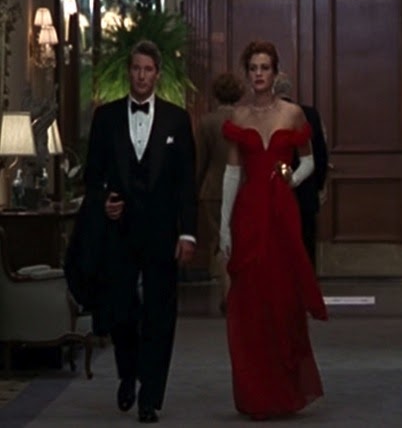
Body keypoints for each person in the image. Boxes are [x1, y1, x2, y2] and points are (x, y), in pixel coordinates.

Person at [64, 40, 197, 423]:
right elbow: (93, 177)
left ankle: (150, 397)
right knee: (120, 310)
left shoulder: (176, 119)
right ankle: (128, 374)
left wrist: (187, 233)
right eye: (136, 68)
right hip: (118, 232)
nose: (141, 76)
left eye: (147, 69)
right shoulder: (106, 118)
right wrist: (104, 200)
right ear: (129, 72)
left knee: (160, 314)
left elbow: (186, 183)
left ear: (157, 74)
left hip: (161, 232)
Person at [219, 40, 327, 420]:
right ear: (247, 74)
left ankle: (285, 389)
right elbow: (232, 173)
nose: (259, 74)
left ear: (276, 72)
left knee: (283, 300)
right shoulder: (238, 115)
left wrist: (290, 179)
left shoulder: (293, 114)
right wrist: (224, 228)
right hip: (249, 213)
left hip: (282, 213)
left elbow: (310, 161)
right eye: (253, 68)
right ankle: (256, 392)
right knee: (251, 302)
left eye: (265, 67)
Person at [196, 72, 245, 314]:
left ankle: (227, 294)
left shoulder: (207, 122)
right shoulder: (245, 119)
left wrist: (193, 189)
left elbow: (200, 160)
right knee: (240, 240)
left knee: (220, 241)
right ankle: (238, 294)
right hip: (242, 187)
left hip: (213, 189)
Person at [274, 72, 329, 269]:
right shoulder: (310, 114)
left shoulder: (268, 115)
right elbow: (320, 152)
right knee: (306, 243)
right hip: (306, 189)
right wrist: (319, 184)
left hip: (275, 188)